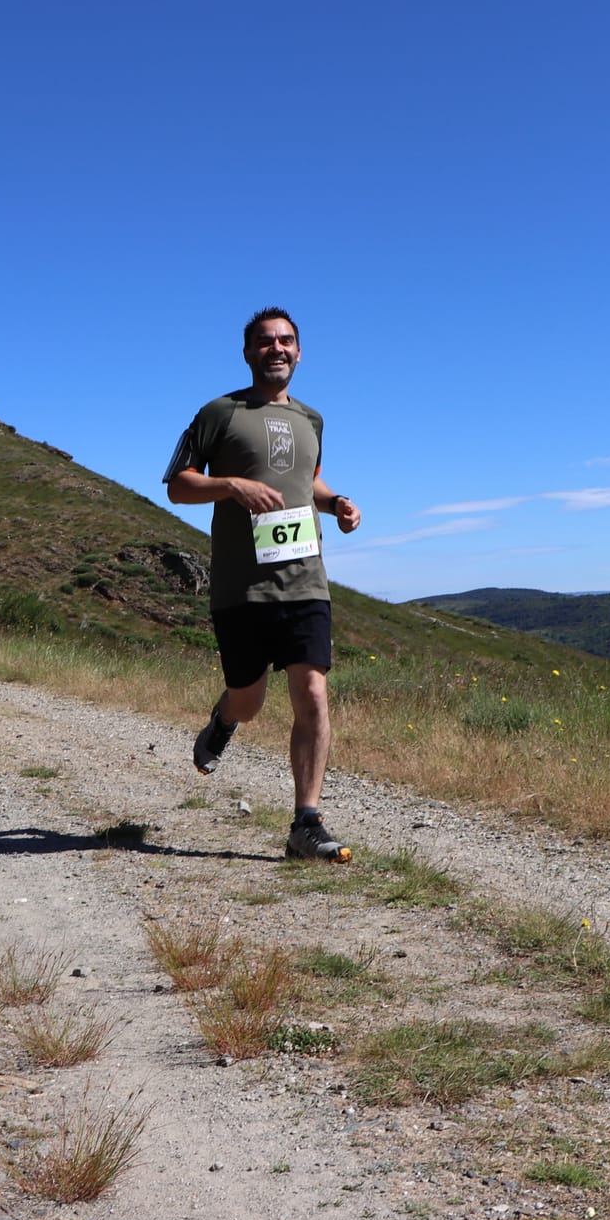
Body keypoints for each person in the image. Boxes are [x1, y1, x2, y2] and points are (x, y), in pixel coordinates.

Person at [164, 307, 362, 863]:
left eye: (286, 340)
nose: (277, 348)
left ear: (299, 352)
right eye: (266, 341)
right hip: (241, 588)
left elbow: (308, 480)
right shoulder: (219, 413)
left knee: (313, 691)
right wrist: (232, 486)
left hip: (305, 579)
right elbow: (178, 485)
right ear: (248, 352)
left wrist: (337, 503)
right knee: (249, 702)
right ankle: (225, 718)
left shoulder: (312, 419)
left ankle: (306, 823)